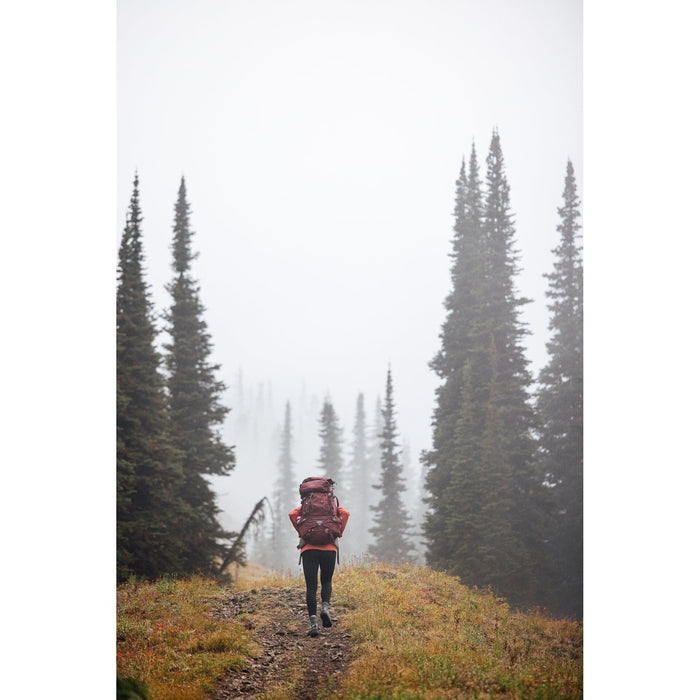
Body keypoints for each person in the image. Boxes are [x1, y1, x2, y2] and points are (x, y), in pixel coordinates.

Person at [289, 487, 349, 638]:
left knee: (311, 587)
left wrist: (302, 531)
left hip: (309, 549)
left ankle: (313, 624)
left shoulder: (306, 506)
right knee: (326, 581)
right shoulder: (332, 505)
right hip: (329, 549)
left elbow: (292, 514)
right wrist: (338, 533)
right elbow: (345, 513)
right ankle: (325, 608)